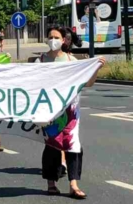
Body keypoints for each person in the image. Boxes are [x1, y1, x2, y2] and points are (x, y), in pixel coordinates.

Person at [36, 27, 105, 199]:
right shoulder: (40, 61)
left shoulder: (71, 60)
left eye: (56, 37)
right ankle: (51, 183)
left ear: (64, 40)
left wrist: (95, 68)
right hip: (49, 112)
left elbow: (87, 83)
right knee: (52, 144)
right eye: (50, 37)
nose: (53, 40)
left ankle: (73, 184)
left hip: (70, 112)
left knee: (73, 145)